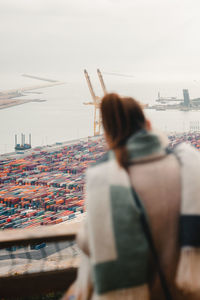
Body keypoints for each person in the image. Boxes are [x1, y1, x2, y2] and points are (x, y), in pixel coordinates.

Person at [64, 93, 200, 300]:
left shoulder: (103, 180)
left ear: (108, 136)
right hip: (187, 290)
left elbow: (90, 243)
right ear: (148, 123)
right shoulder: (187, 168)